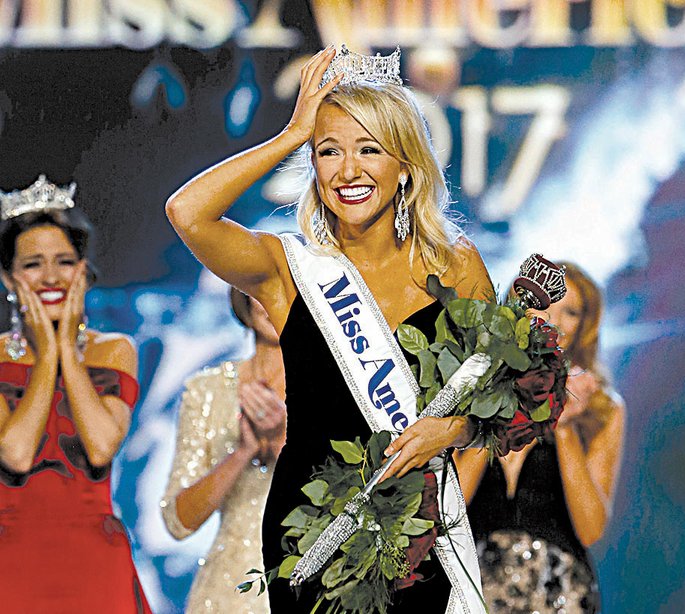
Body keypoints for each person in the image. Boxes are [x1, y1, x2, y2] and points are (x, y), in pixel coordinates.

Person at [166, 46, 492, 613]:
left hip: (416, 528)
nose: (348, 171)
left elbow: (499, 394)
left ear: (406, 166)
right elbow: (186, 212)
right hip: (312, 527)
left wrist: (452, 431)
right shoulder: (289, 270)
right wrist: (292, 133)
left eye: (370, 150)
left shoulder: (455, 265)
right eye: (328, 151)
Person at [0, 175, 151, 613]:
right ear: (10, 279)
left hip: (93, 558)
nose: (50, 277)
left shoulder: (114, 349)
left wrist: (66, 347)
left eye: (64, 261)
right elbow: (16, 453)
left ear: (83, 270)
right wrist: (47, 355)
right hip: (14, 558)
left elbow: (102, 446)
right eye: (32, 264)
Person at [456, 262, 625, 614]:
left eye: (571, 311)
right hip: (475, 585)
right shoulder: (470, 386)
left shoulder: (601, 408)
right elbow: (452, 506)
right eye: (545, 303)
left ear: (585, 325)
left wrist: (563, 425)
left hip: (558, 591)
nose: (555, 320)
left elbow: (591, 529)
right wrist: (492, 400)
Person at [160, 287, 286, 613]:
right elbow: (178, 521)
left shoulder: (337, 388)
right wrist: (242, 453)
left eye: (293, 291)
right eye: (266, 290)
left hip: (309, 583)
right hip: (226, 593)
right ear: (244, 297)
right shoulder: (206, 390)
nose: (276, 300)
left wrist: (278, 441)